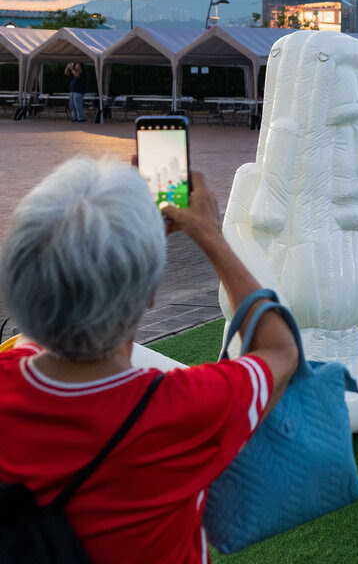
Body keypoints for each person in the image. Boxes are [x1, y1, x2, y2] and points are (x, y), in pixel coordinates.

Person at [0, 157, 299, 563]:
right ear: (149, 297)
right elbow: (281, 350)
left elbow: (51, 308)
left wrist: (107, 215)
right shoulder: (181, 411)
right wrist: (211, 233)